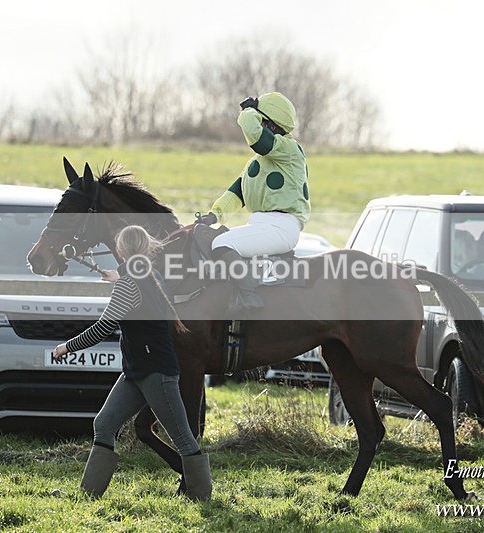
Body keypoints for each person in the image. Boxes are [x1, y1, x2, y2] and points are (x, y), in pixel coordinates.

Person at [51, 225, 212, 501]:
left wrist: (67, 346)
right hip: (137, 370)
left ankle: (202, 498)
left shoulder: (129, 284)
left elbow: (103, 328)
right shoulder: (153, 275)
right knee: (104, 424)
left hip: (155, 373)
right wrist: (118, 276)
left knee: (183, 437)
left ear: (121, 249)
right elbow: (140, 284)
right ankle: (88, 496)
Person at [198, 91, 310, 316]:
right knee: (219, 240)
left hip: (281, 227)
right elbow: (236, 193)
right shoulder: (256, 163)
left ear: (271, 124)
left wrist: (249, 111)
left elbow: (255, 136)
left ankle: (250, 298)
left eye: (261, 120)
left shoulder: (289, 149)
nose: (257, 123)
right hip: (261, 225)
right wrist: (214, 215)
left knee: (221, 244)